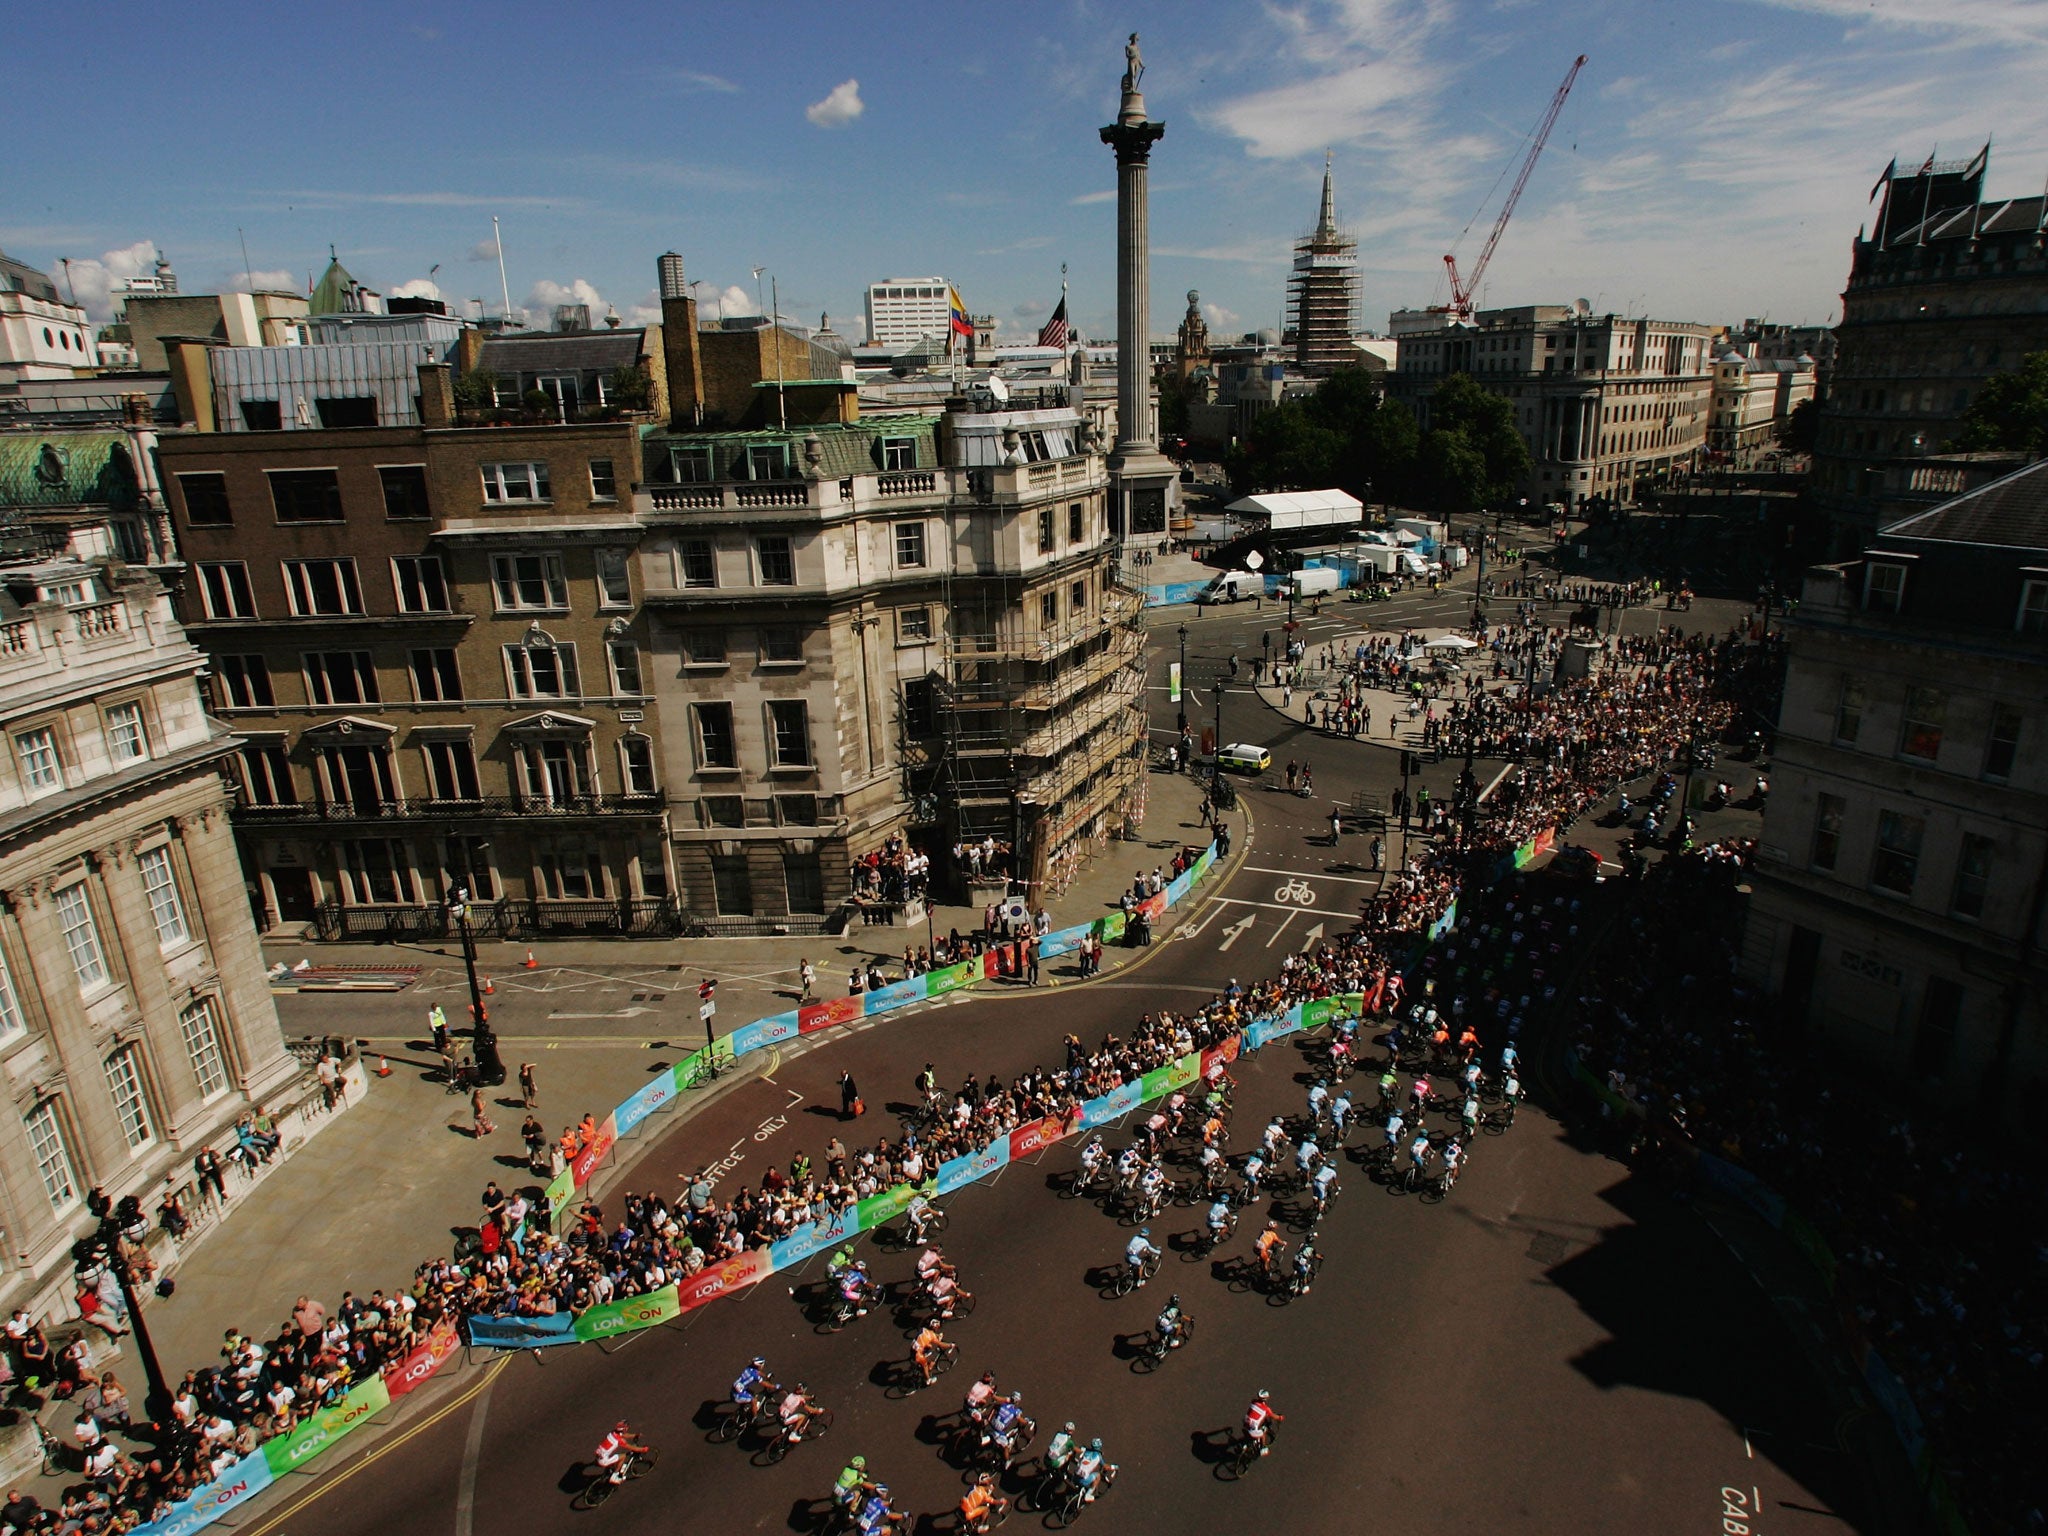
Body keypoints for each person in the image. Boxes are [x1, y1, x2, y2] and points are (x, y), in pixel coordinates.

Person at [595, 1419, 651, 1484]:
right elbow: (633, 1448)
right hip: (603, 1460)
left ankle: (612, 1469)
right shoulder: (619, 1440)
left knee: (615, 1457)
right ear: (623, 1429)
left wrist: (635, 1435)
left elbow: (624, 1435)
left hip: (599, 1456)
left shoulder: (613, 1432)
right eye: (626, 1427)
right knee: (623, 1456)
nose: (627, 1428)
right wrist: (643, 1449)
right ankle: (614, 1477)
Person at [1244, 1390, 1284, 1456]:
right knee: (1263, 1432)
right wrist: (1280, 1418)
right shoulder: (1266, 1409)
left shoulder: (1254, 1401)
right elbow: (1274, 1416)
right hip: (1253, 1429)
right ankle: (1262, 1447)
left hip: (1246, 1423)